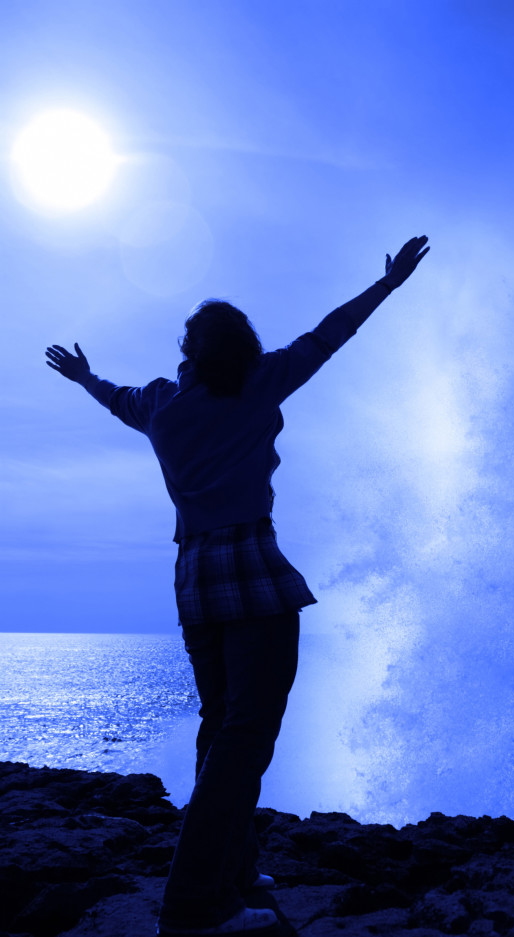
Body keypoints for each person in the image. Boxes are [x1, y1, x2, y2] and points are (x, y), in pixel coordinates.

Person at [45, 234, 430, 937]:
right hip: (250, 570)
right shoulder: (259, 383)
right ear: (241, 347)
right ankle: (195, 903)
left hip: (193, 579)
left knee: (220, 725)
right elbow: (327, 336)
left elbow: (114, 398)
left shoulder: (161, 404)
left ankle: (235, 866)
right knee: (245, 734)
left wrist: (82, 377)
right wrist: (388, 285)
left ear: (190, 353)